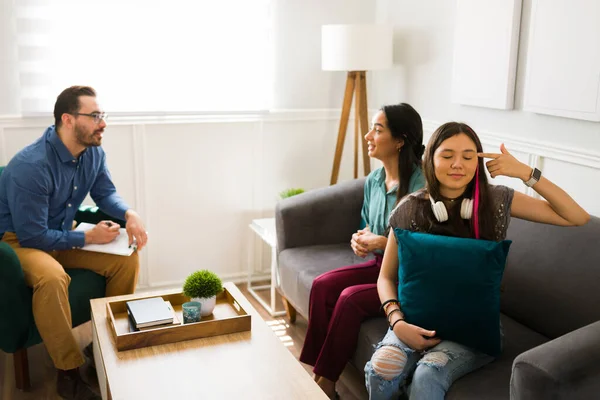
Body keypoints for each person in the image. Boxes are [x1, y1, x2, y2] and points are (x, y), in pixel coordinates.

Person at [364, 122, 590, 399]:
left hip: (473, 330)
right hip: (411, 321)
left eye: (469, 157)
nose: (458, 164)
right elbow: (386, 277)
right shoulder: (408, 209)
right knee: (384, 367)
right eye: (447, 156)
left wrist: (525, 173)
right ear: (430, 159)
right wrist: (398, 323)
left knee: (427, 374)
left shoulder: (496, 201)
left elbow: (576, 217)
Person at [0, 86, 148, 400]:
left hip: (61, 232)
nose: (102, 122)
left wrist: (129, 213)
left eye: (102, 115)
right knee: (52, 278)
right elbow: (33, 236)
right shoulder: (30, 166)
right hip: (19, 243)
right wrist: (88, 236)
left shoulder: (92, 152)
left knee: (126, 258)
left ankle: (103, 346)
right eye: (94, 116)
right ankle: (68, 373)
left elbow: (105, 193)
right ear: (68, 119)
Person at [298, 103, 427, 399]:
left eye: (378, 130)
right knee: (321, 285)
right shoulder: (373, 181)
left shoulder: (421, 185)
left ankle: (326, 383)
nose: (369, 135)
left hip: (409, 276)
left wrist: (381, 243)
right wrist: (359, 240)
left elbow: (422, 248)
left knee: (349, 299)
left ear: (400, 140)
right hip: (380, 266)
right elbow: (367, 226)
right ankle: (317, 371)